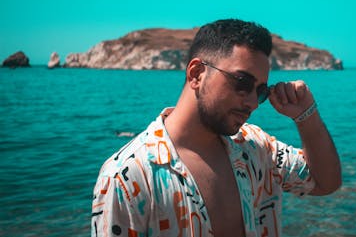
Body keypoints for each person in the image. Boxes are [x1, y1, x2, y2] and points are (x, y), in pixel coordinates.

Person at [91, 18, 342, 237]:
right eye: (242, 82)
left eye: (261, 91)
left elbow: (324, 183)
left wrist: (306, 115)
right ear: (197, 73)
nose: (253, 103)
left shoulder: (256, 147)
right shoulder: (128, 176)